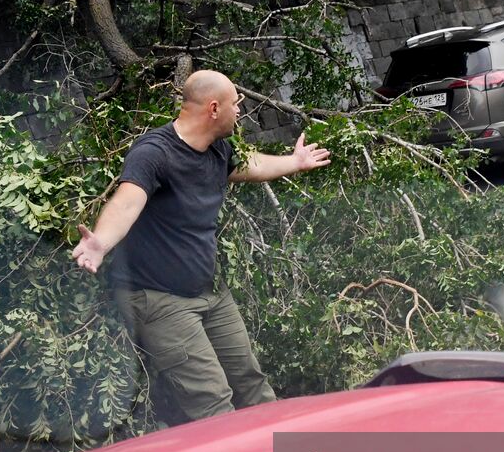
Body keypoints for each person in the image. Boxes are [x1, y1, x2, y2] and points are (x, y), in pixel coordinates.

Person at [71, 70, 332, 424]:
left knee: (251, 383)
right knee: (213, 403)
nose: (240, 111)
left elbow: (249, 165)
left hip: (209, 291)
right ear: (213, 108)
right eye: (236, 104)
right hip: (160, 299)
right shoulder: (153, 154)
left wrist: (295, 162)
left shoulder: (216, 150)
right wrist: (100, 241)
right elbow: (126, 202)